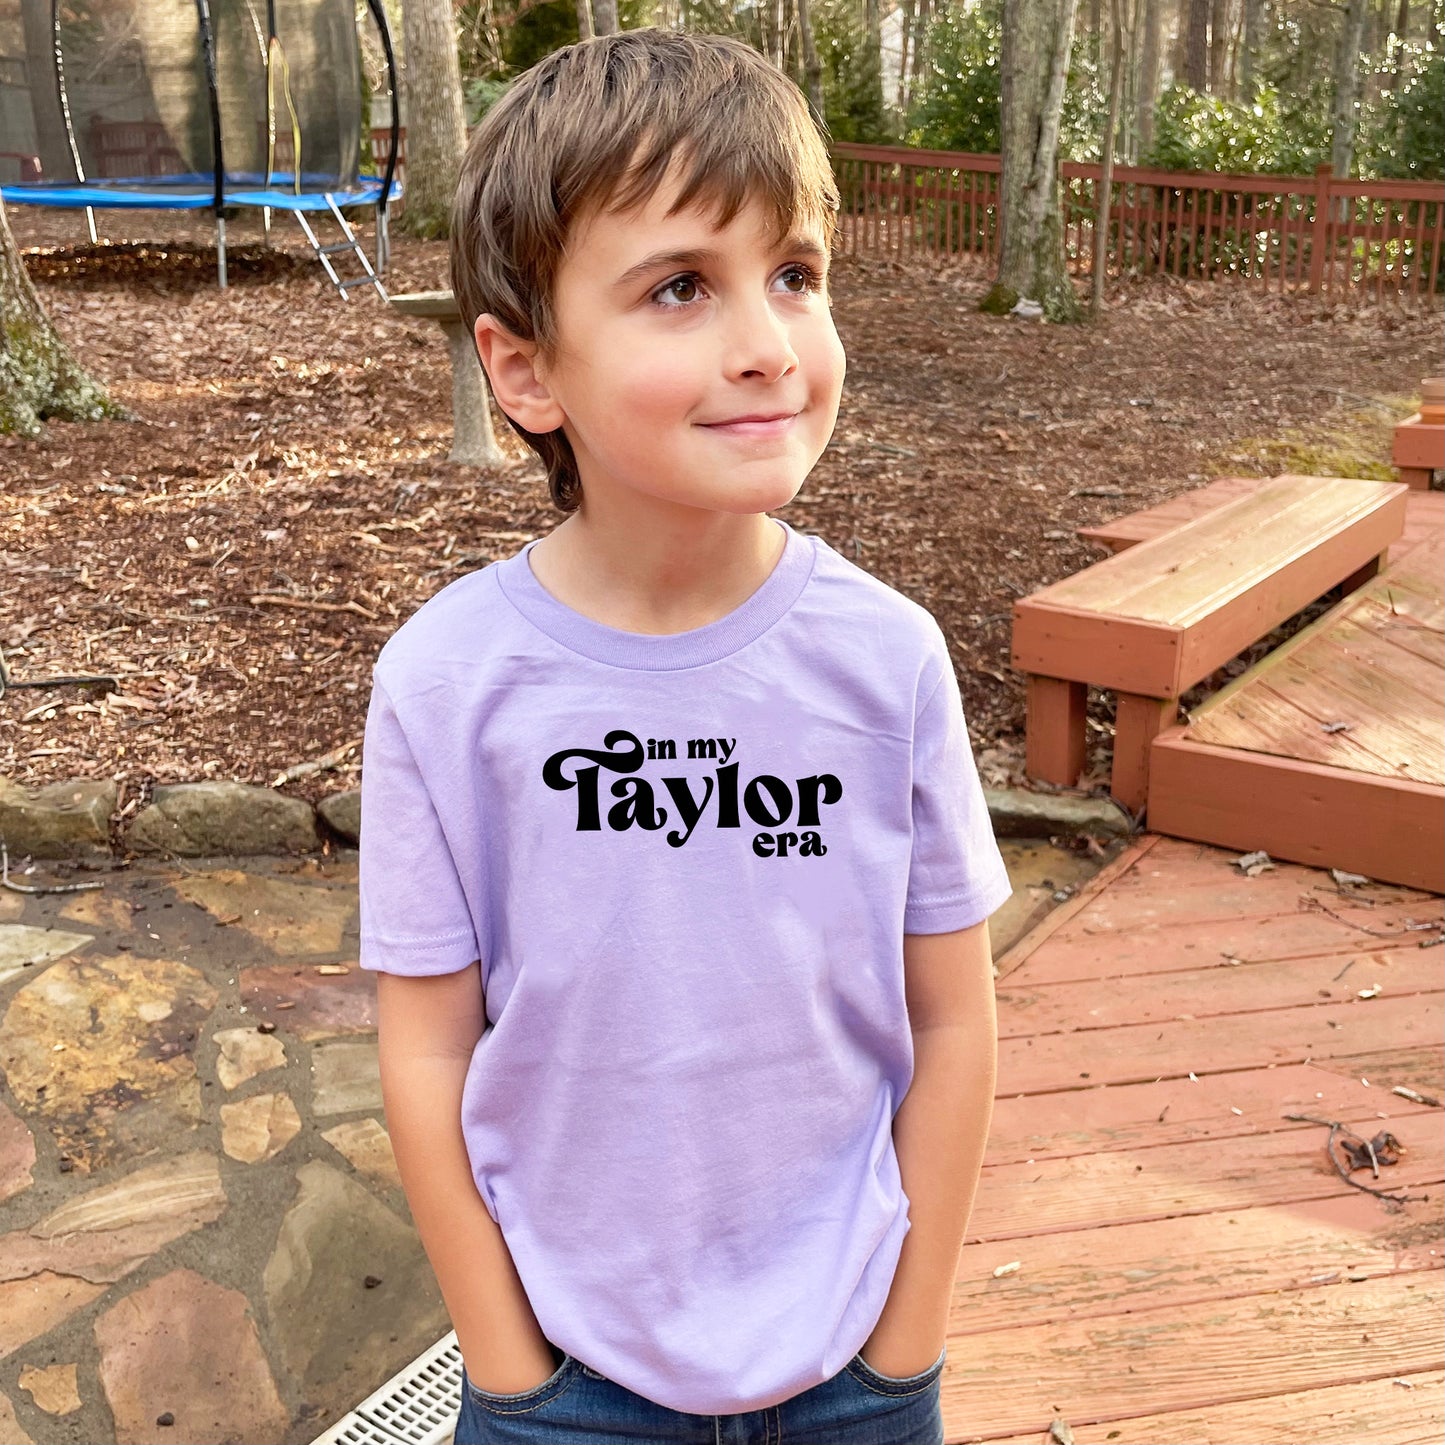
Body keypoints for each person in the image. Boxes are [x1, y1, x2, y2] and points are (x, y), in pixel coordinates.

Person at [359, 27, 1012, 1445]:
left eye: (794, 274)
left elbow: (953, 1014)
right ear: (524, 372)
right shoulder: (446, 685)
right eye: (679, 288)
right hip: (567, 1384)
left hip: (853, 1365)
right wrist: (509, 1369)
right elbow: (425, 1049)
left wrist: (903, 1345)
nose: (768, 343)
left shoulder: (886, 659)